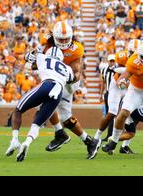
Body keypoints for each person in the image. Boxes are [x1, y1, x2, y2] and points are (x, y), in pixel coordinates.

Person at [42, 21, 101, 160]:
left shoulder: (76, 48)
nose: (63, 41)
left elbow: (76, 72)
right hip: (56, 80)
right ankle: (90, 141)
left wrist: (71, 76)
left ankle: (59, 134)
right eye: (60, 39)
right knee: (66, 119)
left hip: (68, 83)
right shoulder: (48, 45)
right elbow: (39, 64)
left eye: (65, 39)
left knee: (46, 100)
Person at [6, 47, 74, 162]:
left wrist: (32, 54)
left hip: (47, 84)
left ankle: (15, 140)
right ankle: (27, 142)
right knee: (37, 124)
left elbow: (28, 62)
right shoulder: (67, 68)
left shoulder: (43, 57)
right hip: (58, 92)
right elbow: (71, 84)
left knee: (18, 110)